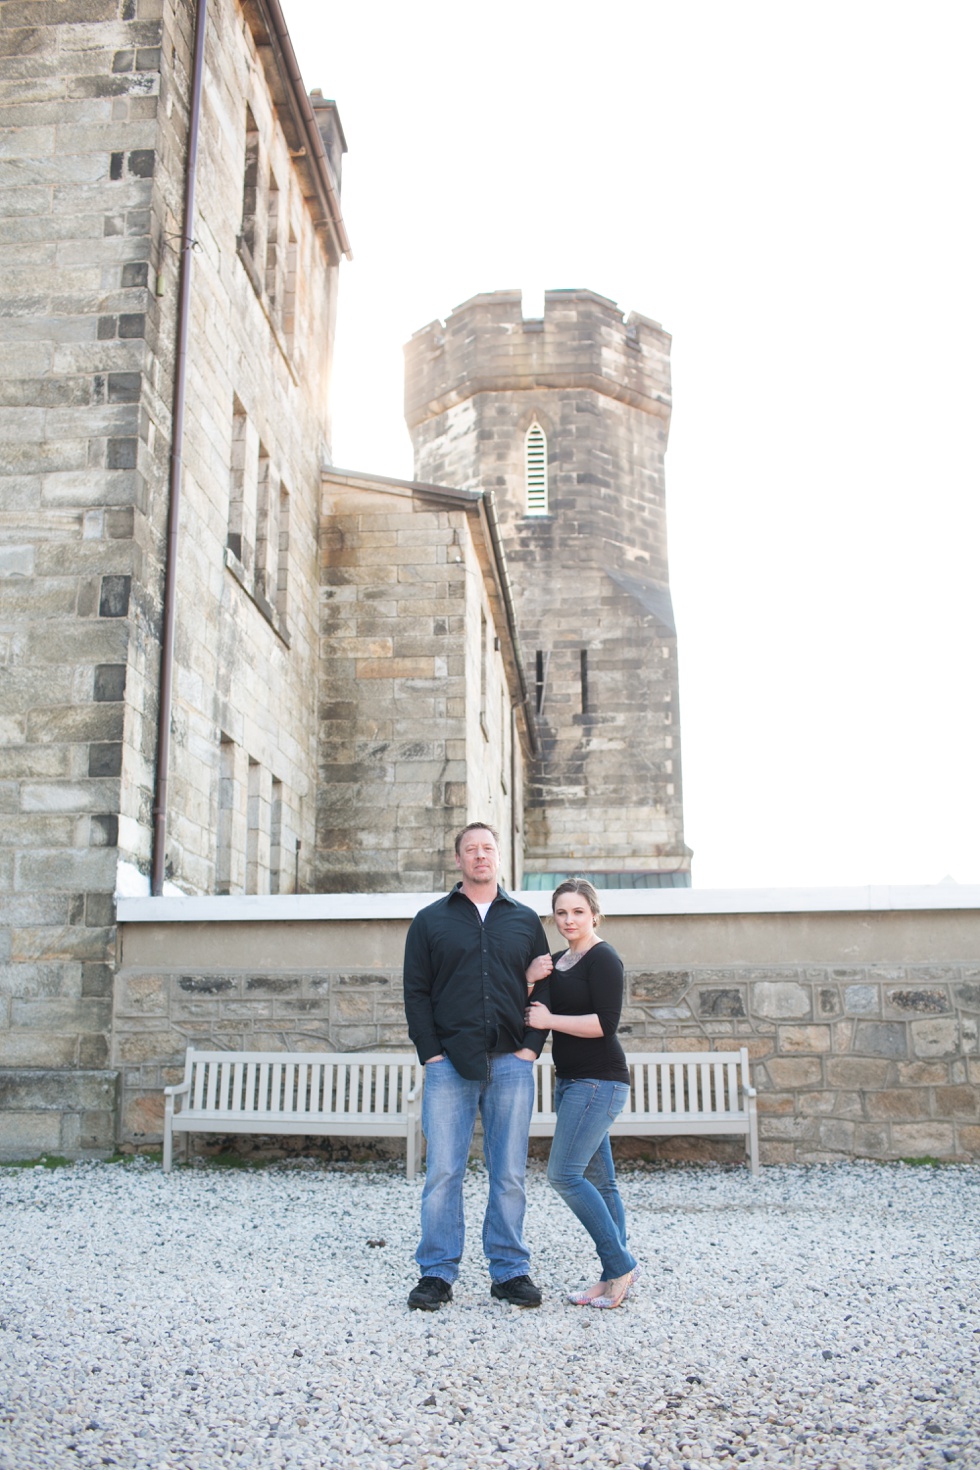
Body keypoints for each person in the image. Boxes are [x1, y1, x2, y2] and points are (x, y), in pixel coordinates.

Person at [402, 822, 551, 1311]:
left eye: (487, 848)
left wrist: (531, 1047)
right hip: (450, 1063)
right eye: (471, 849)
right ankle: (437, 1273)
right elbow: (416, 991)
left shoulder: (526, 921)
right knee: (443, 1171)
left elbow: (543, 985)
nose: (480, 856)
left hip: (511, 1060)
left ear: (498, 857)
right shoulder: (430, 920)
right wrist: (431, 1051)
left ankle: (509, 1271)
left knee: (508, 1172)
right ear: (460, 859)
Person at [525, 878, 639, 1309]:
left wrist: (551, 1020)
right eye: (561, 913)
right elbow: (529, 1010)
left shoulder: (603, 958)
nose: (569, 920)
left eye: (577, 911)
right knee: (601, 1182)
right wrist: (528, 977)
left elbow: (603, 1025)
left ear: (593, 913)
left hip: (599, 1080)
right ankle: (615, 1277)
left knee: (563, 1174)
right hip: (571, 1080)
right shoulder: (558, 961)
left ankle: (619, 1264)